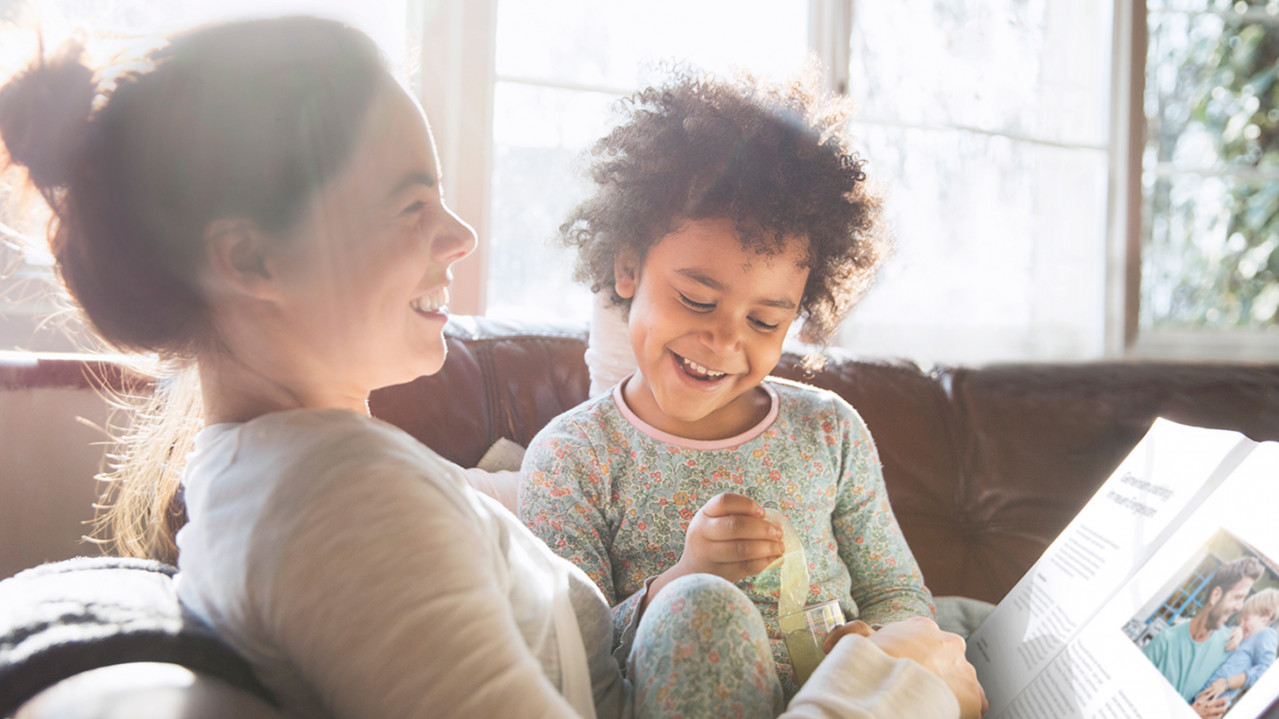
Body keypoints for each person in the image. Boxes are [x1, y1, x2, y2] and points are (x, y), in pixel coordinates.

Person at [0, 15, 985, 719]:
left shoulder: (299, 472)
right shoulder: (341, 508)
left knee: (996, 623)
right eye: (408, 205)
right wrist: (905, 689)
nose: (460, 233)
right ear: (251, 259)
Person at [518, 68, 943, 699]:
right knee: (699, 607)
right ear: (629, 268)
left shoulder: (830, 430)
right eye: (695, 300)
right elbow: (568, 656)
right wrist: (684, 578)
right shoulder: (571, 458)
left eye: (766, 320)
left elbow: (899, 594)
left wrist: (877, 643)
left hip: (840, 701)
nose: (724, 342)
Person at [1144, 556, 1264, 717]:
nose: (1239, 608)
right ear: (1215, 595)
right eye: (1237, 597)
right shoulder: (1164, 643)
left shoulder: (1230, 645)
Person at [1197, 587, 1279, 708]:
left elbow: (1264, 670)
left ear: (1266, 616)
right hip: (1203, 694)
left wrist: (1226, 683)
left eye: (1246, 619)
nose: (1242, 624)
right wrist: (1238, 633)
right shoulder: (1248, 637)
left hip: (1213, 701)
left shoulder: (1267, 635)